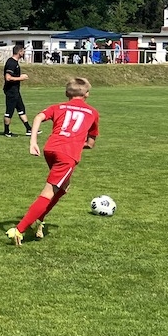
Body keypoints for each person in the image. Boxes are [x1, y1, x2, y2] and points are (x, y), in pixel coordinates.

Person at [6, 77, 100, 245]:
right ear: (87, 94)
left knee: (63, 187)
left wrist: (33, 142)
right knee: (49, 192)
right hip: (67, 155)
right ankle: (19, 230)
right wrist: (77, 143)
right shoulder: (92, 113)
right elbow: (90, 144)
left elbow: (38, 117)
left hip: (50, 149)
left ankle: (39, 219)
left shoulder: (58, 107)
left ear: (66, 93)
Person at [3, 44, 33, 138]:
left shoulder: (15, 62)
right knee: (9, 111)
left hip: (15, 91)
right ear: (19, 52)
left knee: (21, 109)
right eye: (23, 51)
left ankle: (29, 129)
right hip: (11, 91)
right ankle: (7, 131)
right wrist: (21, 78)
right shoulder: (11, 63)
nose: (24, 53)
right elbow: (8, 78)